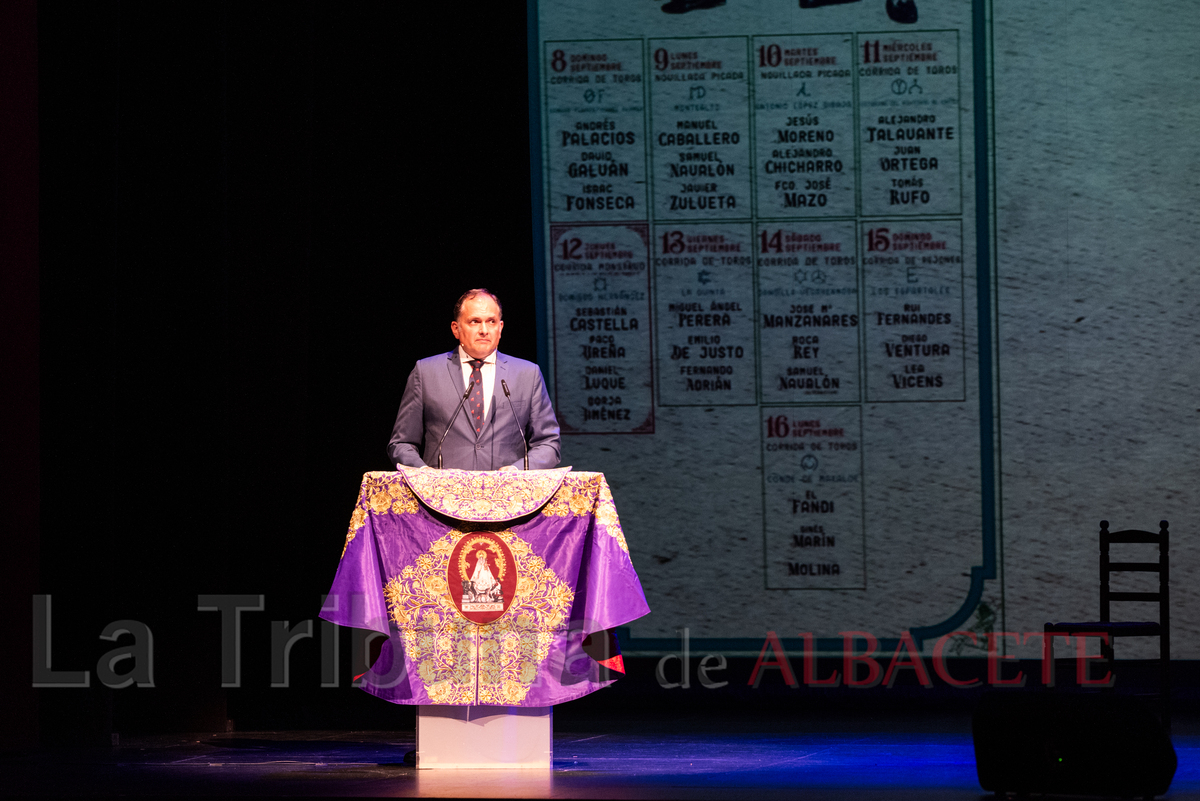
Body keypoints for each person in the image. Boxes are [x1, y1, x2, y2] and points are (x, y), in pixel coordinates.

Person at [388, 288, 561, 471]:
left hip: (507, 495)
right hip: (441, 496)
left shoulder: (527, 374)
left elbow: (549, 445)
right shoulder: (426, 372)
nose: (484, 330)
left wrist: (518, 470)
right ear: (456, 329)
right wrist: (423, 474)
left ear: (500, 328)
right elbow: (401, 444)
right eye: (475, 322)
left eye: (491, 322)